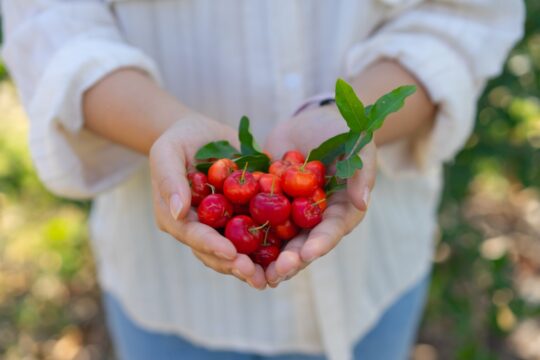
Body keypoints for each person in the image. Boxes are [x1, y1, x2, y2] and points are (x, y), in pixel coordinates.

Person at [2, 0, 524, 359]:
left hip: (372, 279)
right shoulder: (255, 196)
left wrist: (351, 126)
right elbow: (51, 22)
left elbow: (460, 17)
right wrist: (167, 132)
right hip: (167, 295)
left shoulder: (249, 195)